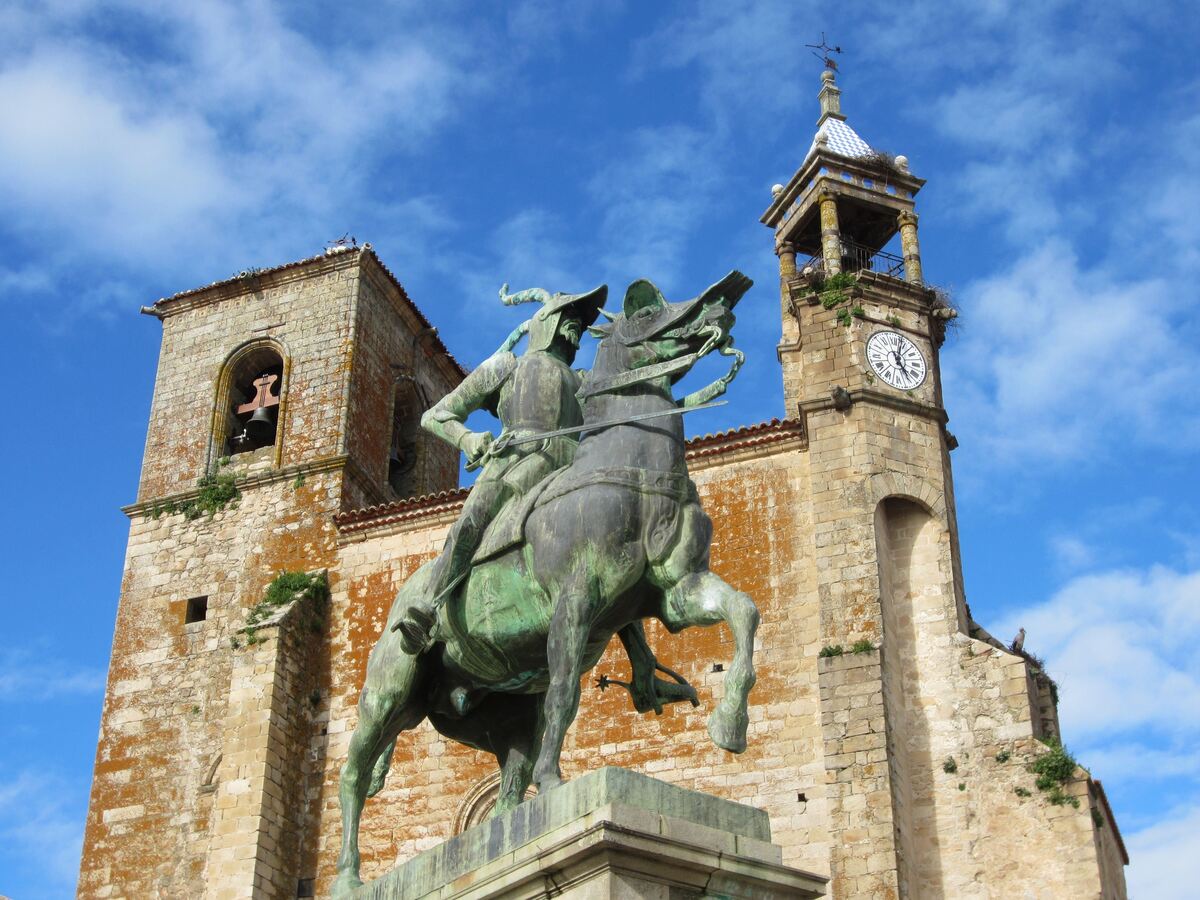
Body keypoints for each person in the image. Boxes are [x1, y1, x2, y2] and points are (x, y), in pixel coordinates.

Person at [395, 282, 607, 654]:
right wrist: (468, 440)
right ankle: (427, 608)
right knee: (472, 520)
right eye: (570, 317)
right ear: (547, 323)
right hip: (517, 461)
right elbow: (436, 415)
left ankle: (641, 663)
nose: (578, 325)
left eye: (582, 321)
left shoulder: (585, 381)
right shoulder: (506, 366)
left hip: (576, 466)